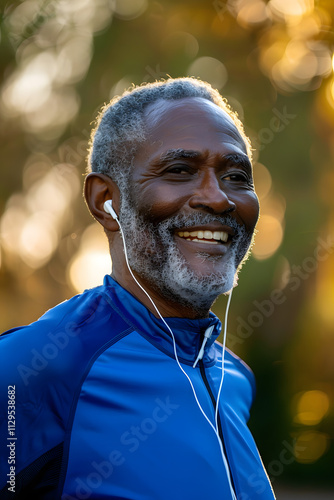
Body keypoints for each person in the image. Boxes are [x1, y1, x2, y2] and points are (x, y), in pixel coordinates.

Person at [0, 77, 276, 499]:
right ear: (106, 200)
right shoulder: (33, 367)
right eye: (180, 170)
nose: (219, 199)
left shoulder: (235, 378)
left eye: (236, 175)